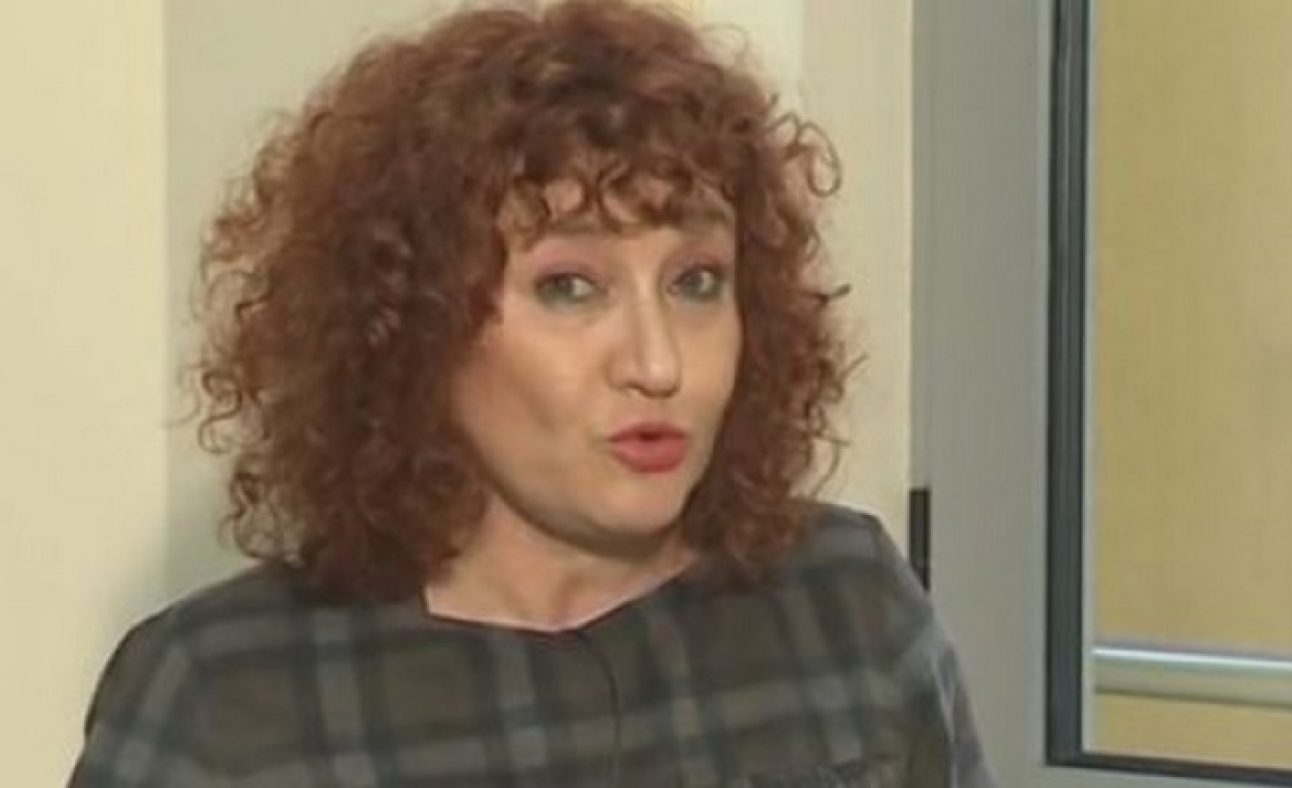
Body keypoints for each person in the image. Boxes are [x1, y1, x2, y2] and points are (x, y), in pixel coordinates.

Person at [70, 1, 992, 785]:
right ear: (419, 325)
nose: (658, 363)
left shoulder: (845, 609)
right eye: (570, 287)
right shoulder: (227, 700)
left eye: (696, 281)